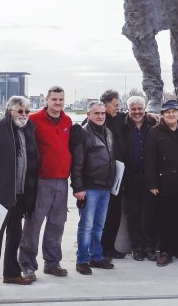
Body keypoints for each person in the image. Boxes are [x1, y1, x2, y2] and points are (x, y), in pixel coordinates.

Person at [0, 96, 39, 295]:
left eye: (27, 111)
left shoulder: (29, 129)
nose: (24, 115)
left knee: (15, 235)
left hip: (20, 193)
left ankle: (11, 273)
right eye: (20, 111)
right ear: (9, 110)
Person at [19, 86, 73, 279]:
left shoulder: (67, 121)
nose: (58, 103)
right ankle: (27, 265)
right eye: (54, 99)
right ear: (46, 100)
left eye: (61, 100)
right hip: (41, 180)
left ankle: (52, 262)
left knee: (57, 223)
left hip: (61, 180)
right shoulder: (33, 120)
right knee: (34, 223)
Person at [144, 100, 178, 266]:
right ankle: (165, 251)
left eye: (174, 111)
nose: (171, 114)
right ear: (162, 115)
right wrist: (152, 183)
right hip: (164, 184)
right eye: (167, 112)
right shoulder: (154, 132)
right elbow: (150, 160)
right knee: (165, 219)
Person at [71, 101, 117, 275]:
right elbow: (77, 164)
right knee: (86, 226)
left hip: (105, 187)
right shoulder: (83, 134)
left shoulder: (108, 132)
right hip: (89, 188)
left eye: (103, 113)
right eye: (96, 113)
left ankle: (96, 257)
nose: (100, 116)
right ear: (88, 114)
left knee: (99, 225)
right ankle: (82, 259)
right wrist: (78, 187)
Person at [121, 95, 158, 261]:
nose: (137, 112)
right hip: (130, 177)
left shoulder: (153, 123)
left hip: (150, 177)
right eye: (133, 109)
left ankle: (150, 247)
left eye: (140, 109)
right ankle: (137, 247)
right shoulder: (122, 125)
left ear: (145, 109)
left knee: (151, 214)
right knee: (133, 215)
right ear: (128, 110)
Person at [100, 89, 127, 261]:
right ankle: (99, 249)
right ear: (106, 104)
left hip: (118, 173)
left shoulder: (120, 117)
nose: (118, 108)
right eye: (115, 105)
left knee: (115, 212)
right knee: (103, 214)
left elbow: (138, 114)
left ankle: (110, 247)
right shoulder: (97, 118)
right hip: (102, 174)